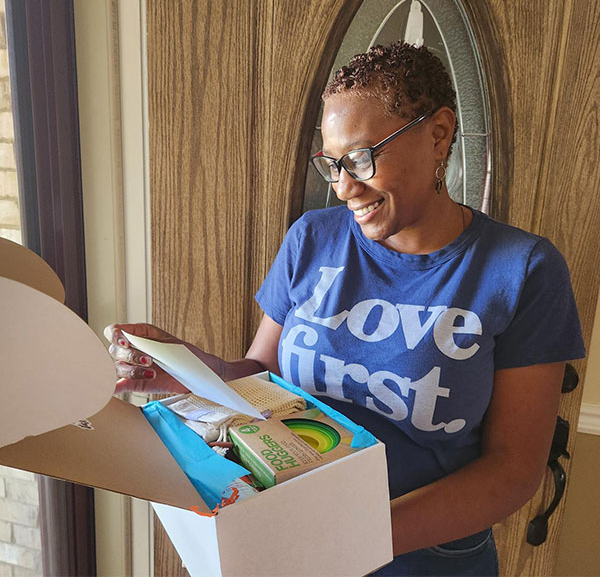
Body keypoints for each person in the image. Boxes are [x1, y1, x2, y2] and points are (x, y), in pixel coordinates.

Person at [106, 41, 585, 576]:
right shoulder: (312, 238)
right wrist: (188, 370)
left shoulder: (523, 270)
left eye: (361, 158)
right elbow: (263, 374)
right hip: (296, 533)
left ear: (439, 134)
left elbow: (513, 472)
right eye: (333, 164)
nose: (344, 187)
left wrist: (353, 534)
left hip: (424, 559)